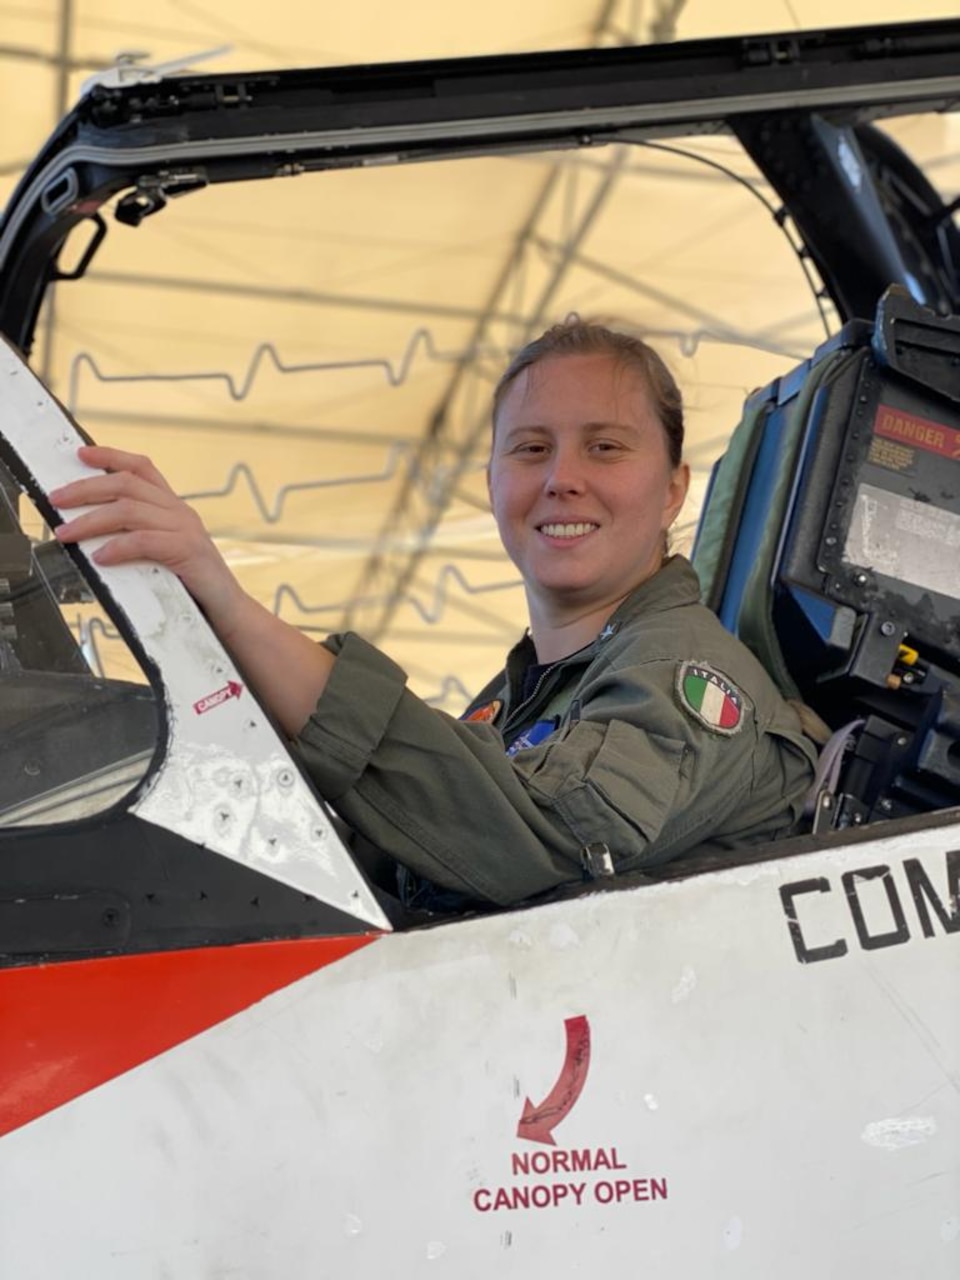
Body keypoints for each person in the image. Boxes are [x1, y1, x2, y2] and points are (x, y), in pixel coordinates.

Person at [50, 321, 817, 911]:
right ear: (491, 484)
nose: (562, 479)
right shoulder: (527, 696)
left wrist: (225, 599)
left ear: (675, 490)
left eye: (606, 447)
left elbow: (538, 836)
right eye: (530, 449)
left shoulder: (687, 677)